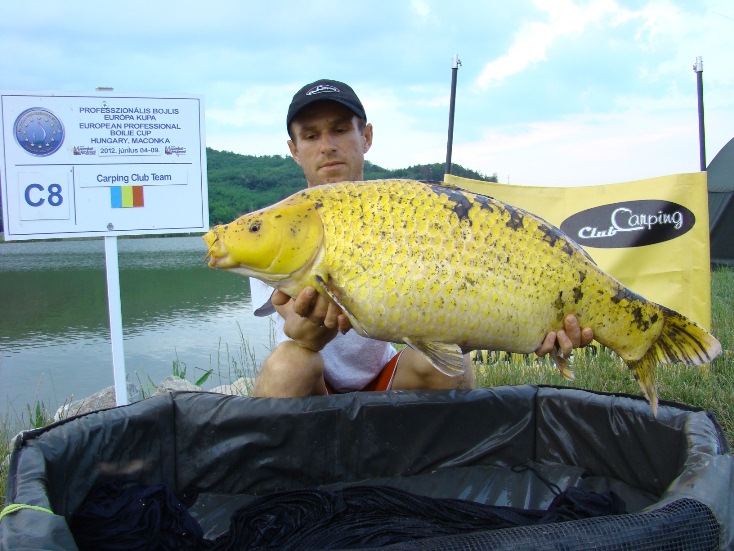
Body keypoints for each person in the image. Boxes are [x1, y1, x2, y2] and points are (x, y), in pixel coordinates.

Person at [250, 79, 593, 398]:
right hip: (314, 384)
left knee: (449, 366)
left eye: (340, 130)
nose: (327, 146)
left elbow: (453, 312)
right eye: (311, 137)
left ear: (366, 137)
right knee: (289, 365)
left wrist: (528, 326)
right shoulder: (275, 229)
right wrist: (309, 324)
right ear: (294, 150)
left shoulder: (406, 214)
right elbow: (299, 333)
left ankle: (431, 461)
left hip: (386, 377)